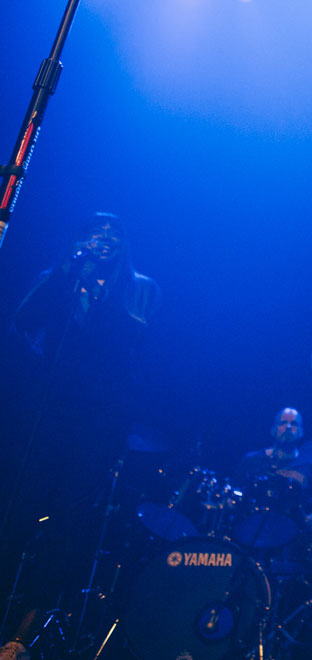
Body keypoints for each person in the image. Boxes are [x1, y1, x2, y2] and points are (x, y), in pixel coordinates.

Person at [2, 213, 160, 644]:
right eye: (94, 232)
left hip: (97, 425)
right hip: (46, 416)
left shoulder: (139, 288)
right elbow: (22, 321)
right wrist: (66, 273)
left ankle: (27, 634)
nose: (103, 238)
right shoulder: (63, 278)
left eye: (113, 233)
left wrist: (98, 291)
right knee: (16, 514)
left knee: (66, 527)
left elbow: (134, 340)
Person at [233, 407, 312, 531]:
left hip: (292, 533)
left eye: (293, 424)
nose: (288, 427)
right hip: (250, 528)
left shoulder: (310, 466)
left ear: (301, 431)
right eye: (283, 423)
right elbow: (234, 490)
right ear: (273, 429)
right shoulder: (252, 460)